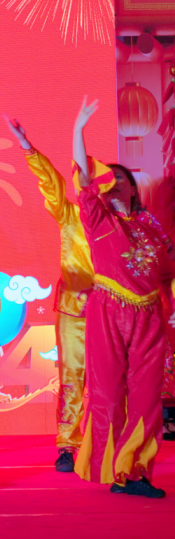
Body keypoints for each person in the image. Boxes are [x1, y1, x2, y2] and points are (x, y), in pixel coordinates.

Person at [70, 97, 173, 498]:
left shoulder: (151, 228)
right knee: (109, 393)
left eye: (119, 179)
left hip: (149, 316)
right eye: (106, 180)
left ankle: (136, 471)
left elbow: (166, 273)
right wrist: (79, 129)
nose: (112, 184)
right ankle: (111, 468)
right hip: (108, 312)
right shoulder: (99, 221)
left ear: (132, 186)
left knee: (146, 398)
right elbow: (83, 177)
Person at [4, 117, 93, 472]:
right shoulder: (71, 217)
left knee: (111, 381)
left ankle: (106, 443)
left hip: (114, 312)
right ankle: (68, 445)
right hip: (74, 311)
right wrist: (28, 147)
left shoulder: (124, 224)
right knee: (72, 378)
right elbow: (52, 184)